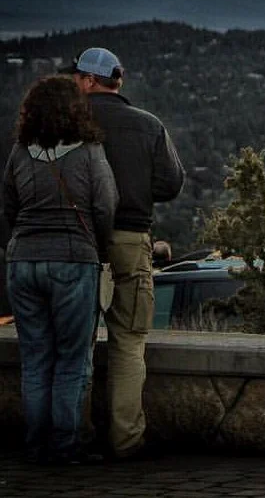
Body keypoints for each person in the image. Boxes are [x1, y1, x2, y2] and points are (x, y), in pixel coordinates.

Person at [62, 48, 185, 460]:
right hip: (132, 238)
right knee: (129, 342)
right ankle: (126, 439)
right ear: (119, 81)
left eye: (76, 77)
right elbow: (170, 184)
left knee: (72, 344)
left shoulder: (64, 127)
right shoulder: (148, 126)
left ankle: (73, 435)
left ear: (87, 81)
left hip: (76, 241)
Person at [2, 77, 118, 464]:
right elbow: (104, 206)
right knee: (71, 359)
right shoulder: (89, 152)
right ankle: (64, 447)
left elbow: (8, 206)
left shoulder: (19, 153)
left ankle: (35, 446)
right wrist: (99, 247)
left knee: (35, 359)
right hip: (73, 261)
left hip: (22, 262)